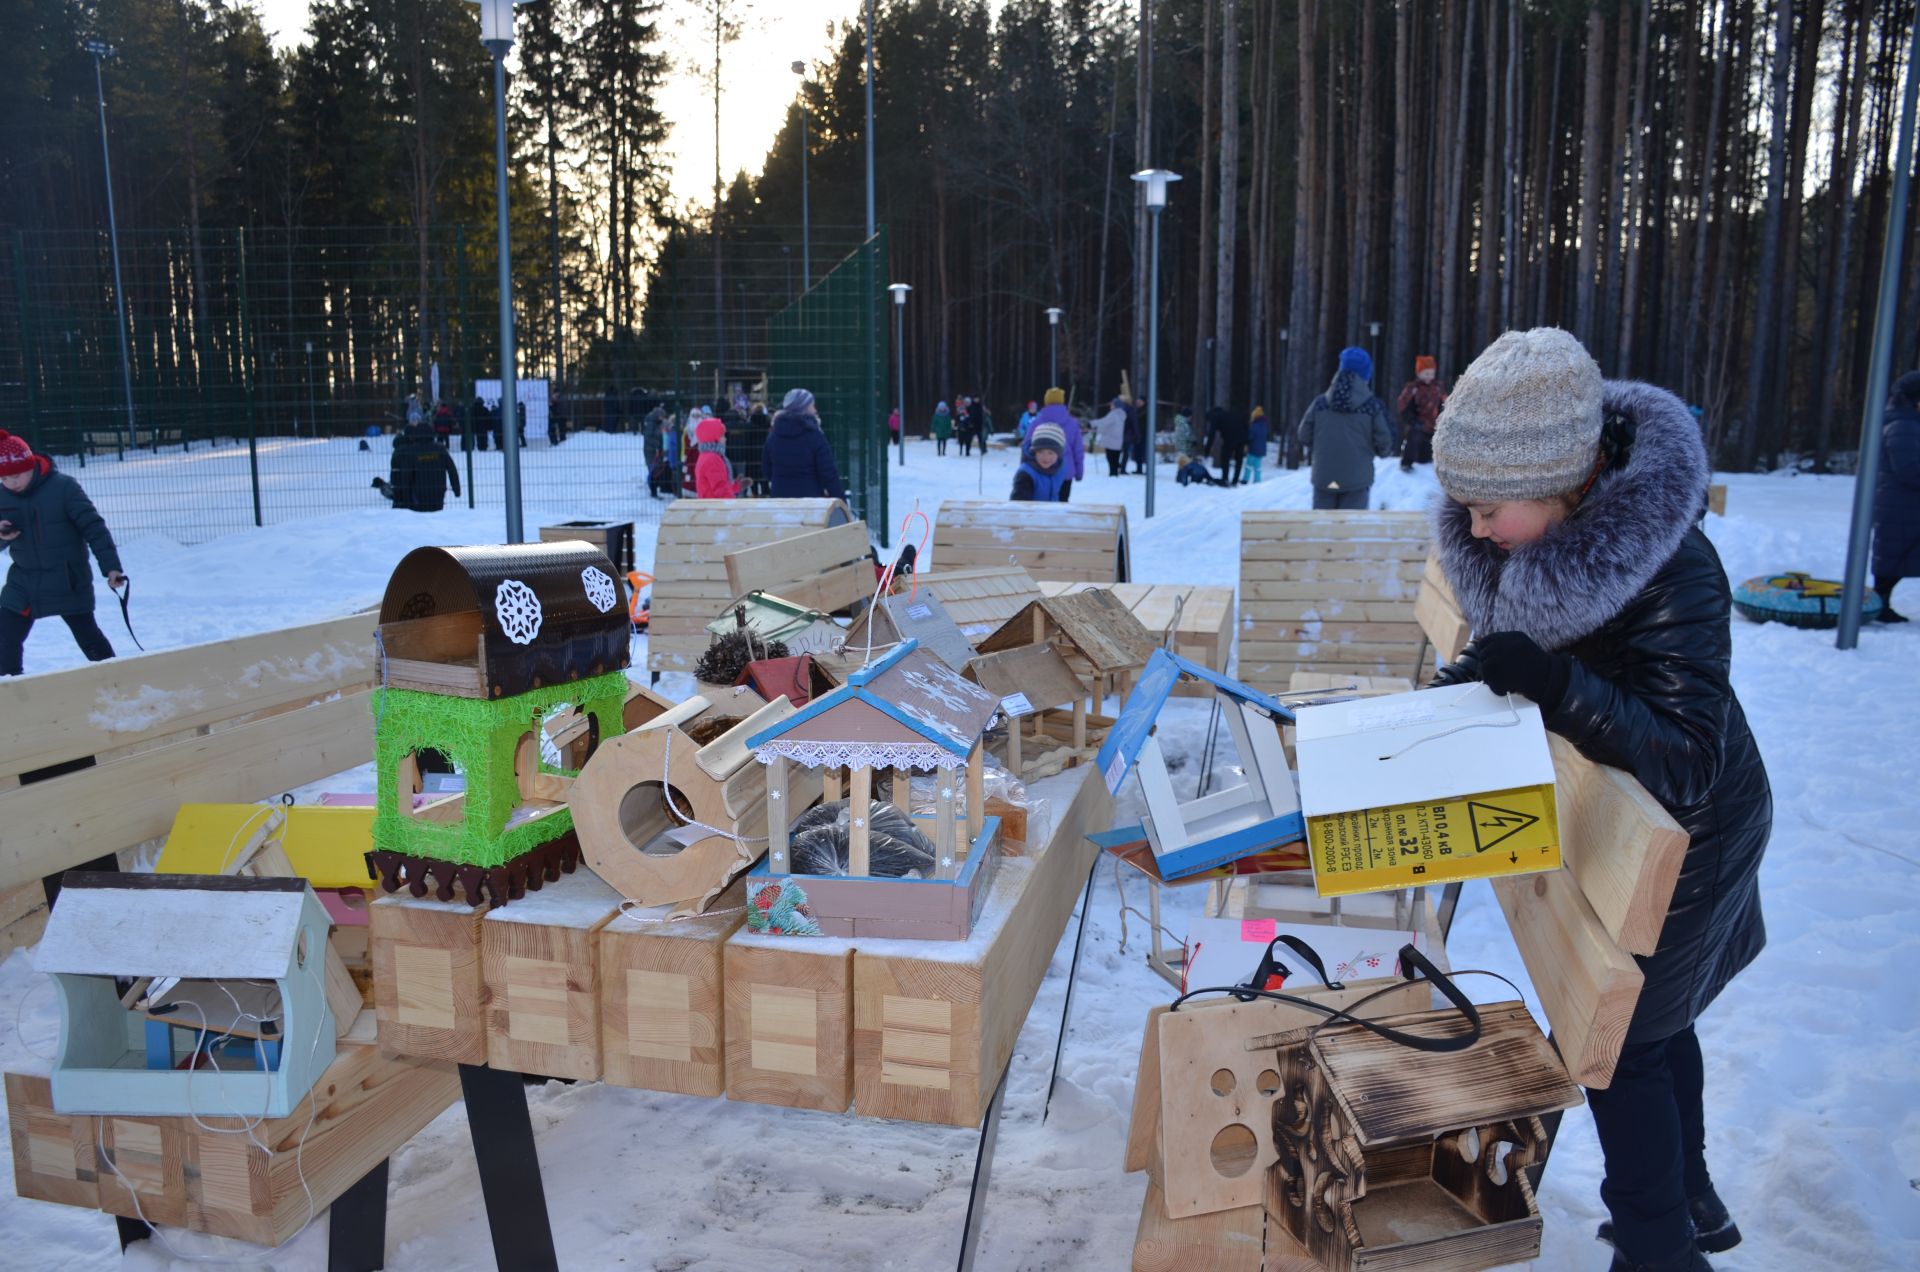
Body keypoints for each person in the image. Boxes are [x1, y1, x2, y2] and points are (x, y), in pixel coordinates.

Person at [1430, 327, 1769, 1272]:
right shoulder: (1528, 531)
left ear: (1562, 484)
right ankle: (1689, 1197)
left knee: (1623, 1045)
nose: (1480, 530)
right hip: (1626, 819)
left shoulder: (1675, 571)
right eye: (1468, 508)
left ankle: (1661, 1250)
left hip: (1694, 833)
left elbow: (1688, 759)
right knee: (1662, 1022)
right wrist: (1478, 681)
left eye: (1493, 509)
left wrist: (1553, 685)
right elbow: (1521, 640)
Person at [0, 430, 125, 676]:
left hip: (67, 578)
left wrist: (111, 567)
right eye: (3, 479)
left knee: (89, 638)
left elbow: (94, 528)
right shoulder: (2, 495)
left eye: (15, 476)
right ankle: (9, 692)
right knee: (5, 638)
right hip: (24, 581)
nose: (10, 483)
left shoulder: (63, 488)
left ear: (31, 466)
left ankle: (117, 683)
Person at [1298, 347, 1395, 509]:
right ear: (1366, 374)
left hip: (1324, 479)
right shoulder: (1371, 406)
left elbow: (1304, 435)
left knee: (1323, 530)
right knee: (1351, 530)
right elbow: (1385, 443)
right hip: (1357, 482)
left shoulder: (1321, 403)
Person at [1871, 369, 1920, 622]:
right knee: (1894, 556)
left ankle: (1880, 603)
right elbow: (1909, 469)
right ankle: (1879, 604)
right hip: (1901, 503)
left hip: (1904, 503)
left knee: (1897, 555)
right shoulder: (1903, 425)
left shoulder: (1907, 422)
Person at [763, 388, 848, 501]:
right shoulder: (814, 435)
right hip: (810, 499)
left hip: (780, 499)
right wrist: (841, 502)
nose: (815, 410)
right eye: (812, 406)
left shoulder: (774, 436)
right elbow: (828, 473)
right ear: (804, 408)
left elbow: (767, 470)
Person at [374, 415, 462, 511]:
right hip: (438, 496)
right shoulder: (440, 449)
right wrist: (456, 489)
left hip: (418, 498)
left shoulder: (412, 451)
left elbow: (406, 476)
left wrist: (406, 499)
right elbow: (452, 470)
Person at [1030, 388, 1086, 499]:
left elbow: (1027, 447)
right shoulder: (1072, 423)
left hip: (1041, 471)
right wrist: (1079, 472)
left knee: (1042, 506)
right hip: (1066, 472)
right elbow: (1078, 450)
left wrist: (1026, 471)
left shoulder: (1037, 422)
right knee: (1061, 507)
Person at [1395, 354, 1448, 471]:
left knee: (1433, 447)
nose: (1429, 376)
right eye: (1426, 373)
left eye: (1431, 373)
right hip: (1418, 423)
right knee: (1414, 438)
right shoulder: (1413, 388)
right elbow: (1403, 406)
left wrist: (1443, 418)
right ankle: (1406, 463)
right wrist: (1411, 420)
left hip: (1434, 424)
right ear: (1419, 373)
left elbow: (1445, 403)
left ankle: (1437, 463)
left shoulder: (1438, 387)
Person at [1011, 423, 1069, 501]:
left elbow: (1061, 497)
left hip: (1054, 512)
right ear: (1034, 451)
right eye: (1040, 451)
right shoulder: (1026, 473)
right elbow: (1020, 504)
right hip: (1032, 512)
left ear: (1058, 454)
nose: (1045, 457)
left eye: (1050, 453)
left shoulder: (1060, 469)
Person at [693, 416, 740, 499]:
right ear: (713, 438)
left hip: (710, 505)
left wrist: (736, 487)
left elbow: (719, 483)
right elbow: (720, 489)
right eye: (722, 436)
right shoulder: (712, 459)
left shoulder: (706, 456)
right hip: (715, 508)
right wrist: (732, 505)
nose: (725, 439)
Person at [1207, 402, 1249, 487]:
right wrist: (1246, 441)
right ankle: (1235, 480)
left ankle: (1225, 479)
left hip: (1230, 438)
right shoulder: (1227, 414)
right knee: (1239, 459)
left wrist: (1207, 449)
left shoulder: (1215, 416)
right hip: (1241, 437)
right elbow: (1244, 425)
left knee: (1225, 457)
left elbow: (1211, 434)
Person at [1093, 397, 1128, 476]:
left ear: (1116, 405)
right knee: (1115, 458)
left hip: (1111, 440)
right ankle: (1115, 472)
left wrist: (1092, 423)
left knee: (1111, 458)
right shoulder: (1122, 414)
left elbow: (1104, 422)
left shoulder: (1114, 414)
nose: (1110, 405)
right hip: (1118, 440)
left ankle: (1113, 473)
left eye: (1112, 404)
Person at [1246, 407, 1270, 483]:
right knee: (1258, 467)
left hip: (1253, 448)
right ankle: (1257, 480)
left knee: (1248, 465)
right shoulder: (1264, 425)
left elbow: (1250, 436)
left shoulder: (1254, 425)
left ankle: (1245, 479)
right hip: (1261, 449)